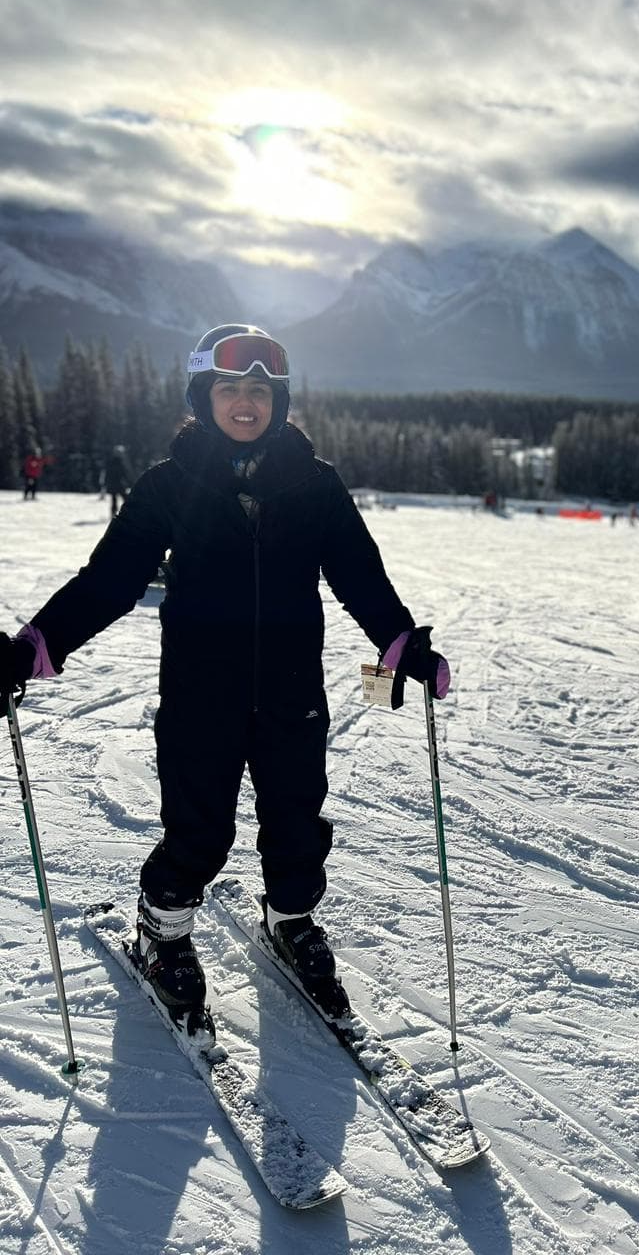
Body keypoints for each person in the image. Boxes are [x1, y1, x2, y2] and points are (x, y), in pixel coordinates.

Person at [0, 325, 449, 1030]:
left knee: (297, 821)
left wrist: (402, 644)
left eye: (260, 391)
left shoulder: (314, 482)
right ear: (202, 397)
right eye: (229, 389)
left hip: (292, 689)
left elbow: (360, 576)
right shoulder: (170, 484)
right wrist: (33, 648)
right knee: (199, 829)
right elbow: (110, 580)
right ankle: (164, 931)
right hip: (200, 691)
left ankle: (290, 916)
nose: (246, 403)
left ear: (281, 399)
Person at [103, 444, 132, 517]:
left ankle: (114, 514)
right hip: (118, 484)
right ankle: (129, 512)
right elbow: (123, 473)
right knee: (125, 499)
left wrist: (106, 483)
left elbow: (107, 473)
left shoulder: (111, 462)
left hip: (113, 484)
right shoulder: (119, 462)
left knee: (114, 500)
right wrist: (129, 482)